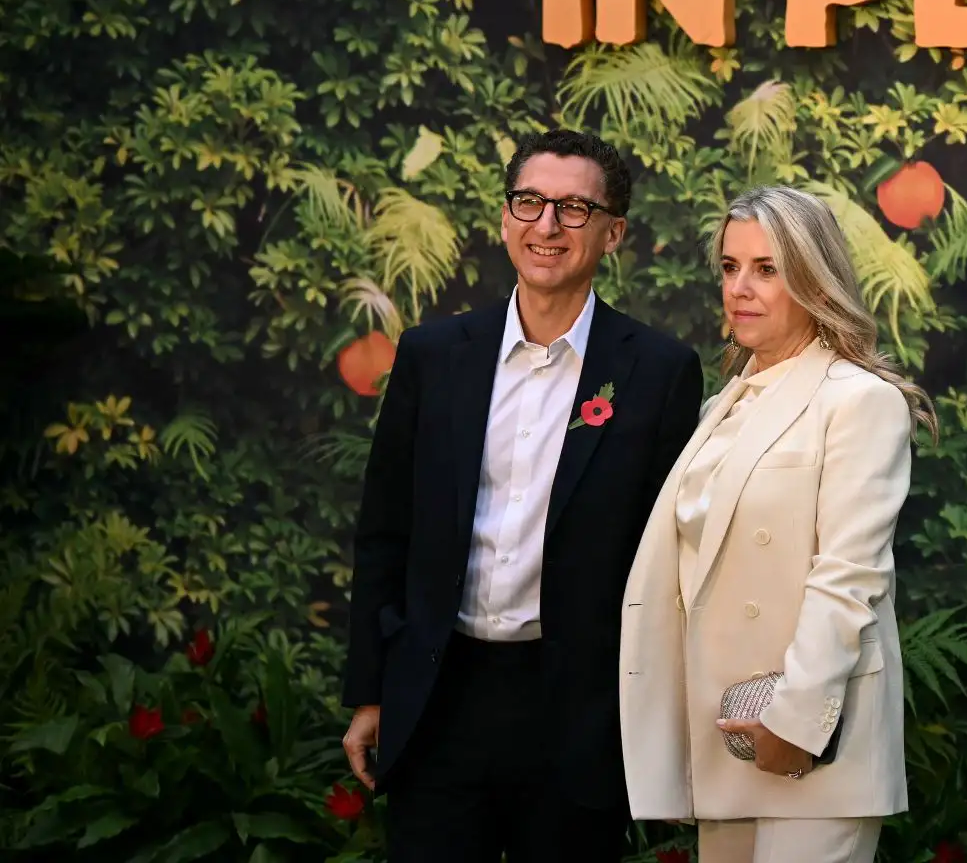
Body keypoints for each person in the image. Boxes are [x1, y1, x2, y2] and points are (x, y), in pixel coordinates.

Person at [341, 128, 703, 862]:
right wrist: (372, 691)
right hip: (442, 695)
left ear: (614, 233)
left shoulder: (659, 373)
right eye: (530, 202)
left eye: (574, 209)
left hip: (574, 709)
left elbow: (669, 565)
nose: (547, 226)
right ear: (505, 218)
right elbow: (386, 531)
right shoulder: (434, 356)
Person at [619, 185, 935, 863]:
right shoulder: (722, 406)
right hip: (729, 733)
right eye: (731, 268)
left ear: (814, 279)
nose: (741, 288)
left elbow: (849, 577)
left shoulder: (859, 401)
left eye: (767, 269)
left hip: (814, 741)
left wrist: (796, 722)